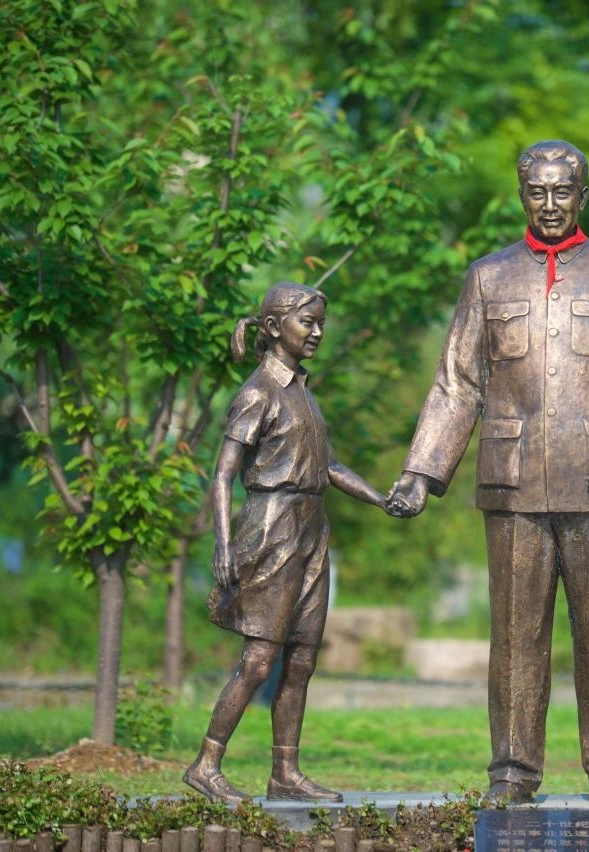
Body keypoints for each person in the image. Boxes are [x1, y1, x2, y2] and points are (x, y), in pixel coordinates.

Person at [387, 141, 589, 806]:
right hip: (513, 482)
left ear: (582, 197)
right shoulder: (488, 278)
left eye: (562, 192)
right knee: (515, 636)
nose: (550, 204)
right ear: (523, 196)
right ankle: (513, 770)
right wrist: (421, 472)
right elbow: (457, 384)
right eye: (537, 192)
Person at [185, 282, 396, 804]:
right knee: (260, 659)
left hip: (311, 528)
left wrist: (380, 498)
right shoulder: (257, 392)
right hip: (271, 527)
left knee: (301, 658)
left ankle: (285, 772)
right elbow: (222, 475)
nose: (318, 332)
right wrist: (223, 544)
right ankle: (206, 764)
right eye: (308, 322)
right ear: (275, 328)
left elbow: (330, 466)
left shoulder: (303, 391)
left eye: (321, 323)